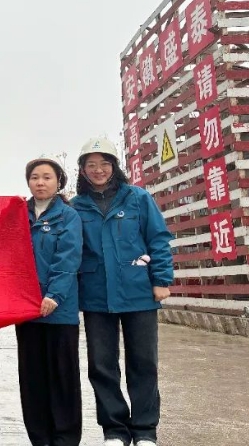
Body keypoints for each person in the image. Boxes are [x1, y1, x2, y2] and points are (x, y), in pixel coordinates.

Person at [71, 137, 173, 446]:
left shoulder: (138, 198)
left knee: (143, 362)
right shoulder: (76, 206)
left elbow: (158, 239)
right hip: (96, 294)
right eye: (91, 165)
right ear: (82, 170)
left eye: (104, 164)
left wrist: (161, 280)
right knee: (102, 365)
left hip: (138, 291)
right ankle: (114, 430)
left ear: (114, 166)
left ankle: (144, 430)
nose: (98, 170)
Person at [16, 157, 83, 446]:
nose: (40, 183)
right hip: (25, 309)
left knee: (62, 377)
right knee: (32, 377)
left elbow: (68, 258)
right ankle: (40, 437)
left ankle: (65, 438)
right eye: (35, 177)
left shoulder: (68, 216)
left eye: (47, 177)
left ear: (58, 182)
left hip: (59, 311)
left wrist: (54, 295)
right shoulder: (18, 214)